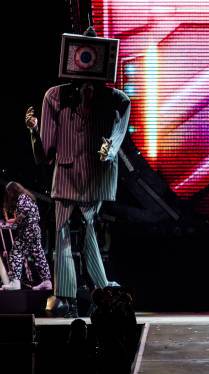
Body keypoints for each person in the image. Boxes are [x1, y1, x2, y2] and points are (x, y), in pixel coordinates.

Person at [24, 28, 130, 316]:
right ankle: (67, 294)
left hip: (94, 175)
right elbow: (46, 148)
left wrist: (110, 150)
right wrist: (34, 132)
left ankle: (101, 287)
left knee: (88, 226)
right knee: (61, 231)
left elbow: (119, 131)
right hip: (68, 172)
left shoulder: (115, 99)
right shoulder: (55, 97)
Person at [0, 182, 51, 291]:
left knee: (16, 253)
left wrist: (11, 224)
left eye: (9, 192)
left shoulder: (22, 198)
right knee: (39, 254)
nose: (8, 194)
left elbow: (23, 213)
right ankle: (46, 281)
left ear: (13, 190)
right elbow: (24, 216)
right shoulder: (28, 197)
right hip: (34, 230)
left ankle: (15, 282)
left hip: (28, 231)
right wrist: (10, 224)